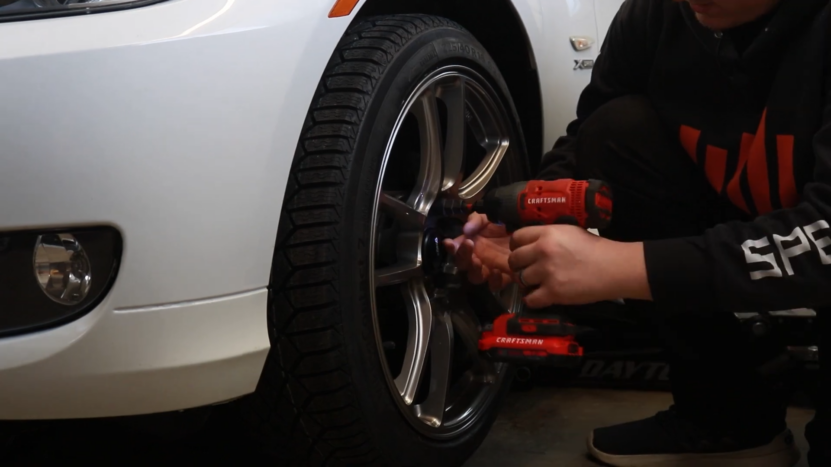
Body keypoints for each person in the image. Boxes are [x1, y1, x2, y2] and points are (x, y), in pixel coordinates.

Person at [444, 0, 831, 465]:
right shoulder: (655, 13)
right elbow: (591, 133)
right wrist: (526, 227)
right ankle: (726, 415)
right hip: (744, 221)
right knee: (615, 132)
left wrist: (623, 266)